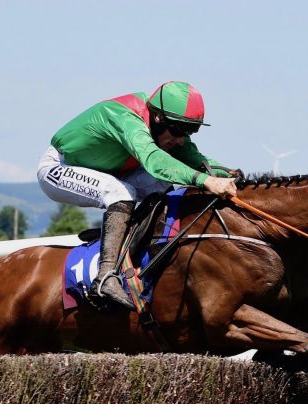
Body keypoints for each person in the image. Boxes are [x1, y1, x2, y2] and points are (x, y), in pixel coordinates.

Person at [37, 81, 238, 309]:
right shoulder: (125, 118)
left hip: (109, 171)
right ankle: (105, 276)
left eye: (190, 131)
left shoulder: (163, 124)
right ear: (159, 118)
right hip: (58, 169)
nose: (182, 139)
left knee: (163, 184)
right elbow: (154, 160)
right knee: (120, 192)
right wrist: (207, 181)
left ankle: (144, 253)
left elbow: (194, 159)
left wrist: (228, 172)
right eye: (178, 131)